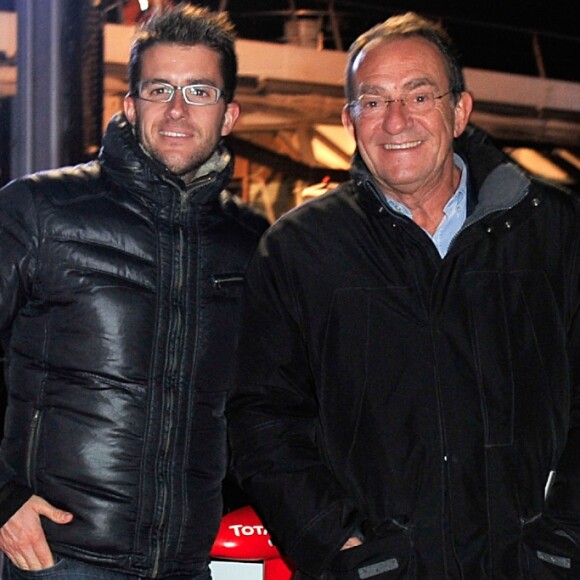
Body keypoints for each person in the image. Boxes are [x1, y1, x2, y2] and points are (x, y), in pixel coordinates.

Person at [227, 11, 580, 579]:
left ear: (459, 111)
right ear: (349, 120)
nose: (395, 121)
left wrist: (564, 539)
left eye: (419, 96)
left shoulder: (553, 231)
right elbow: (262, 419)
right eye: (373, 101)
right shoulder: (300, 249)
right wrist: (339, 545)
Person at [0, 3, 268, 579]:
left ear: (228, 115)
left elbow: (267, 405)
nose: (176, 110)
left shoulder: (252, 243)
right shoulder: (41, 211)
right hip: (57, 558)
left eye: (199, 92)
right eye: (158, 90)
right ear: (129, 105)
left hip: (188, 563)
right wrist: (3, 498)